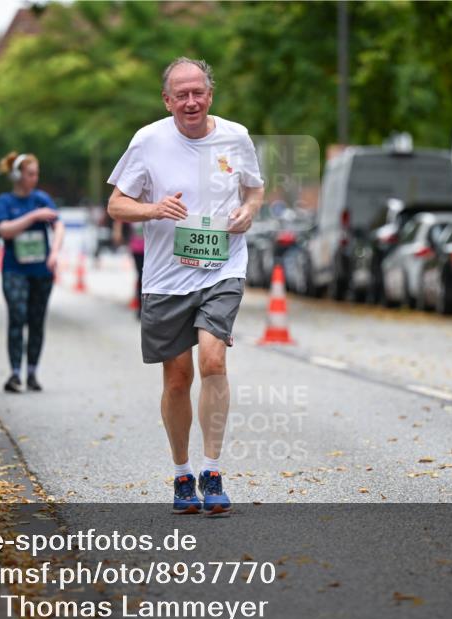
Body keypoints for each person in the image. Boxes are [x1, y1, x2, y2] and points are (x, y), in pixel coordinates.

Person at [107, 57, 264, 514]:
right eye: (182, 95)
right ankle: (182, 474)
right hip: (166, 277)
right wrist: (154, 210)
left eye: (198, 93)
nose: (191, 102)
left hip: (223, 267)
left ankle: (212, 470)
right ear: (168, 100)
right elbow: (117, 205)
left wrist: (249, 211)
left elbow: (254, 189)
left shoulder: (236, 137)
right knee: (178, 378)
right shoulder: (148, 141)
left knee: (213, 361)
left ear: (210, 95)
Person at [0, 151, 64, 393]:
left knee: (36, 320)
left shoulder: (42, 198)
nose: (35, 178)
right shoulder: (6, 202)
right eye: (30, 174)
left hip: (41, 271)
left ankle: (32, 372)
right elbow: (4, 230)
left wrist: (54, 252)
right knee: (17, 315)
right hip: (14, 270)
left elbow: (59, 225)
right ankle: (14, 373)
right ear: (17, 176)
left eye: (37, 174)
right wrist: (33, 216)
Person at [112, 218, 146, 318]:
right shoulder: (134, 208)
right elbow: (120, 218)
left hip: (153, 249)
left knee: (146, 277)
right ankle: (140, 308)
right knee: (141, 276)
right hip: (138, 249)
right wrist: (117, 233)